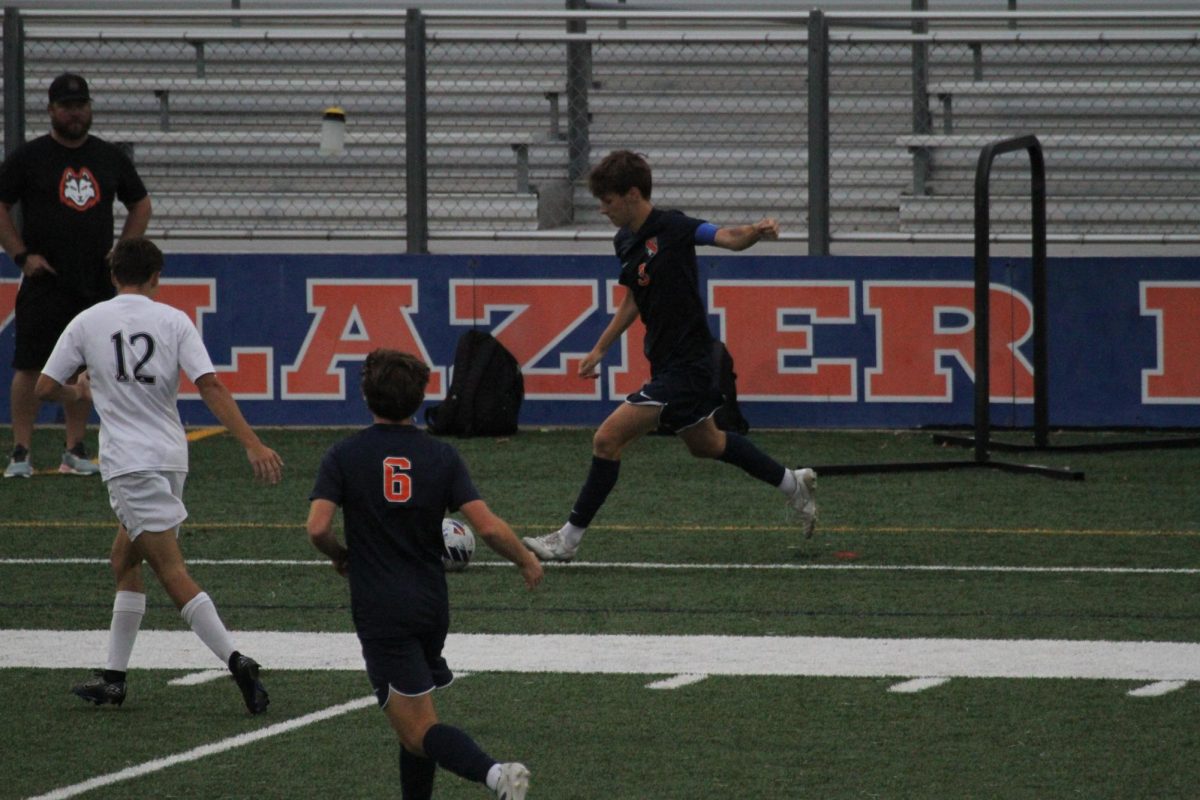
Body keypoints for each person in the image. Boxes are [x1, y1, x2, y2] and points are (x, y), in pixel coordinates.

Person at [522, 149, 817, 563]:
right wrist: (600, 347)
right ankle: (793, 484)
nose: (603, 209)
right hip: (666, 363)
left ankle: (567, 539)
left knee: (606, 439)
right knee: (707, 443)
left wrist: (755, 229)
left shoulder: (674, 227)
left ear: (632, 194)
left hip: (691, 365)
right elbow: (633, 299)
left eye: (607, 201)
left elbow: (725, 237)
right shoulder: (625, 240)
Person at [35, 237, 283, 714]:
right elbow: (209, 384)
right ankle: (113, 678)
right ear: (155, 277)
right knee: (123, 560)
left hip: (129, 463)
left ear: (112, 274)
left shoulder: (88, 322)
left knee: (170, 570)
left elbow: (43, 386)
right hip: (171, 458)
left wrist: (80, 392)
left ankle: (236, 660)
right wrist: (251, 442)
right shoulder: (174, 320)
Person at [307, 348, 542, 800]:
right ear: (420, 397)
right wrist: (525, 560)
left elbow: (317, 527)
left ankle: (496, 775)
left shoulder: (344, 455)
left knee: (418, 732)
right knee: (412, 723)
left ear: (365, 394)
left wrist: (340, 554)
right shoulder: (442, 456)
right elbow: (488, 526)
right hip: (431, 606)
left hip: (382, 610)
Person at [1, 72, 152, 479]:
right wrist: (20, 255)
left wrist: (122, 250)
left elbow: (140, 204)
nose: (74, 113)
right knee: (30, 365)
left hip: (95, 280)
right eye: (66, 106)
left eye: (80, 105)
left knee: (88, 366)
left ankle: (75, 448)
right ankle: (20, 451)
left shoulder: (108, 157)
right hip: (44, 278)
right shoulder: (30, 157)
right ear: (51, 110)